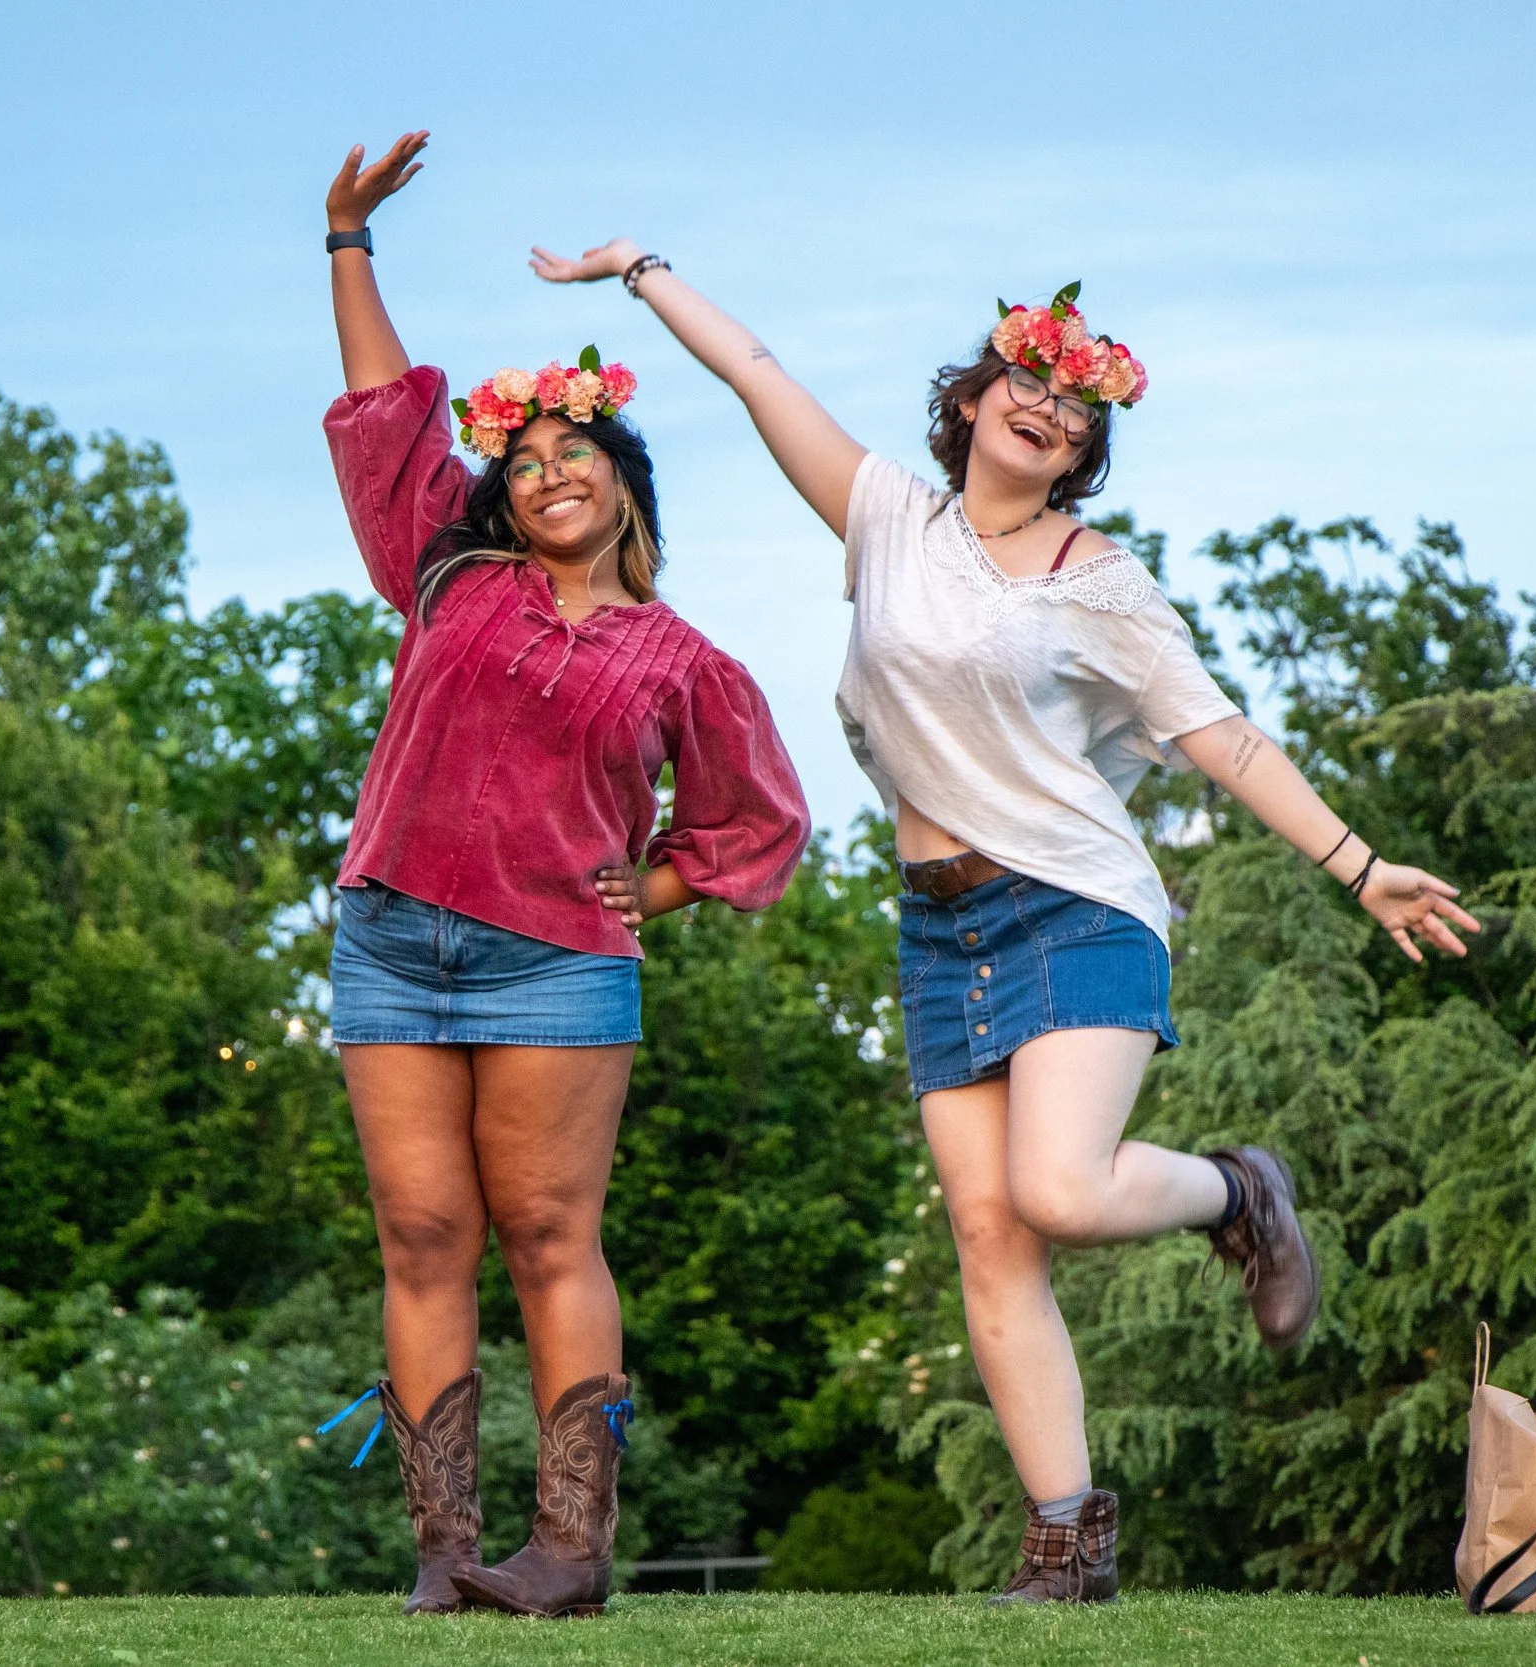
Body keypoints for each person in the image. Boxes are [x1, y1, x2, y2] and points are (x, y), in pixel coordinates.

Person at [534, 241, 1480, 1603]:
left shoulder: (1100, 582)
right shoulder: (885, 519)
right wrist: (644, 274)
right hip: (936, 926)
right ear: (973, 400)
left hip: (1078, 904)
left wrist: (1361, 862)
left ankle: (1238, 1188)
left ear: (1085, 448)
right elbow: (756, 374)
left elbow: (1221, 739)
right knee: (991, 1232)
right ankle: (1067, 1539)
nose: (1051, 408)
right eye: (1026, 383)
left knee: (1056, 1185)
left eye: (1080, 407)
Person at [313, 140, 809, 1619]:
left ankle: (571, 1549)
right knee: (421, 1234)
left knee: (546, 1234)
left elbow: (757, 817)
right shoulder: (450, 579)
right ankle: (445, 1550)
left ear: (621, 477)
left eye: (570, 452)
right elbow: (388, 427)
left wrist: (648, 893)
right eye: (520, 462)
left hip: (553, 965)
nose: (544, 472)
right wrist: (347, 239)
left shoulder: (685, 660)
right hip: (391, 937)